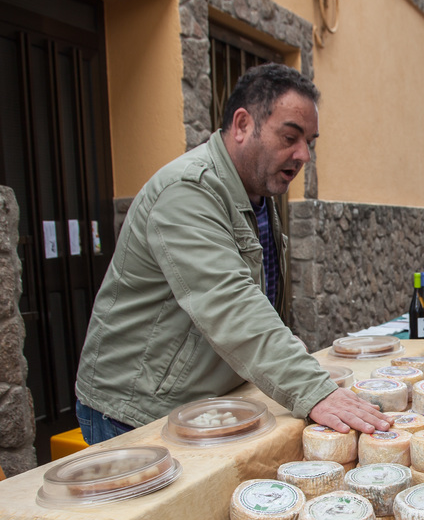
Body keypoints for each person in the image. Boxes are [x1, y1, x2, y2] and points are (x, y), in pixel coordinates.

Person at [75, 64, 392, 444]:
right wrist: (314, 390)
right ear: (242, 125)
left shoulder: (255, 192)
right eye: (290, 137)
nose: (304, 154)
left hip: (208, 403)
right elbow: (231, 303)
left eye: (311, 142)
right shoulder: (187, 190)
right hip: (136, 410)